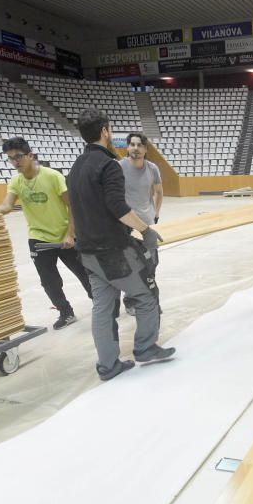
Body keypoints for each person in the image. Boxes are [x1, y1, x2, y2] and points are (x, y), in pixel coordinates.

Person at [66, 109, 175, 381]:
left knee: (102, 308)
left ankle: (108, 365)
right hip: (113, 250)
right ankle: (146, 348)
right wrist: (145, 229)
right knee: (147, 296)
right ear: (105, 131)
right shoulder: (108, 165)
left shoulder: (76, 166)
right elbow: (117, 206)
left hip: (87, 252)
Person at [0, 136, 92, 330]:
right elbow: (7, 205)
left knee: (84, 273)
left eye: (18, 156)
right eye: (10, 158)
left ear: (30, 155)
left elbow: (72, 205)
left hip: (65, 235)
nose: (15, 162)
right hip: (38, 238)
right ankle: (65, 312)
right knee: (49, 281)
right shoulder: (16, 181)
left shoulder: (52, 176)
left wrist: (71, 234)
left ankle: (101, 303)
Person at [119, 132, 163, 314]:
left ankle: (147, 299)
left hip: (147, 223)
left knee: (152, 262)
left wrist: (156, 213)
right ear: (128, 147)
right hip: (126, 224)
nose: (135, 148)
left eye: (139, 145)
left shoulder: (152, 168)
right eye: (132, 145)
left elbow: (159, 192)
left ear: (145, 149)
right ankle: (130, 300)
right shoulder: (118, 167)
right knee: (131, 264)